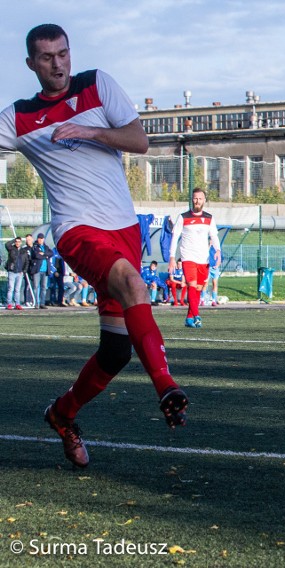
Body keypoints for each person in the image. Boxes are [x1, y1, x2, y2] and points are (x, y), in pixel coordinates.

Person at [0, 24, 187, 468]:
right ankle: (167, 387)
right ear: (31, 64)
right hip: (76, 230)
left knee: (116, 351)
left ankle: (62, 414)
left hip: (124, 229)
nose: (58, 63)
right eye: (46, 57)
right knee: (131, 283)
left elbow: (139, 141)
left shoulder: (97, 84)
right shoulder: (19, 117)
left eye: (63, 53)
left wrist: (91, 133)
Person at [168, 187, 221, 328]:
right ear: (192, 200)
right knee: (191, 284)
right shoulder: (183, 217)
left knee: (198, 288)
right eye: (195, 198)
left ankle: (189, 317)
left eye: (200, 198)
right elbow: (175, 237)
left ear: (204, 200)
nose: (197, 201)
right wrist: (172, 257)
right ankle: (197, 316)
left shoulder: (209, 218)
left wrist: (218, 251)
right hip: (188, 257)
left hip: (203, 258)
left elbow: (214, 236)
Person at [29, 232, 53, 309]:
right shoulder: (35, 247)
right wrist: (45, 256)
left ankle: (42, 303)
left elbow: (51, 253)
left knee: (44, 287)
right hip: (37, 270)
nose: (40, 240)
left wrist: (44, 254)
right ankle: (36, 303)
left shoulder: (46, 247)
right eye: (39, 238)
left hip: (45, 270)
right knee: (36, 287)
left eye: (42, 238)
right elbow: (36, 255)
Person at [5, 236, 30, 309]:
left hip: (19, 272)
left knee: (17, 289)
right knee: (11, 288)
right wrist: (14, 240)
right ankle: (9, 303)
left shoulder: (23, 251)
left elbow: (26, 261)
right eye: (16, 242)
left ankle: (17, 304)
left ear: (21, 243)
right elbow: (7, 244)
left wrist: (24, 270)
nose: (17, 243)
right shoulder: (11, 249)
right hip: (12, 271)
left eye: (19, 242)